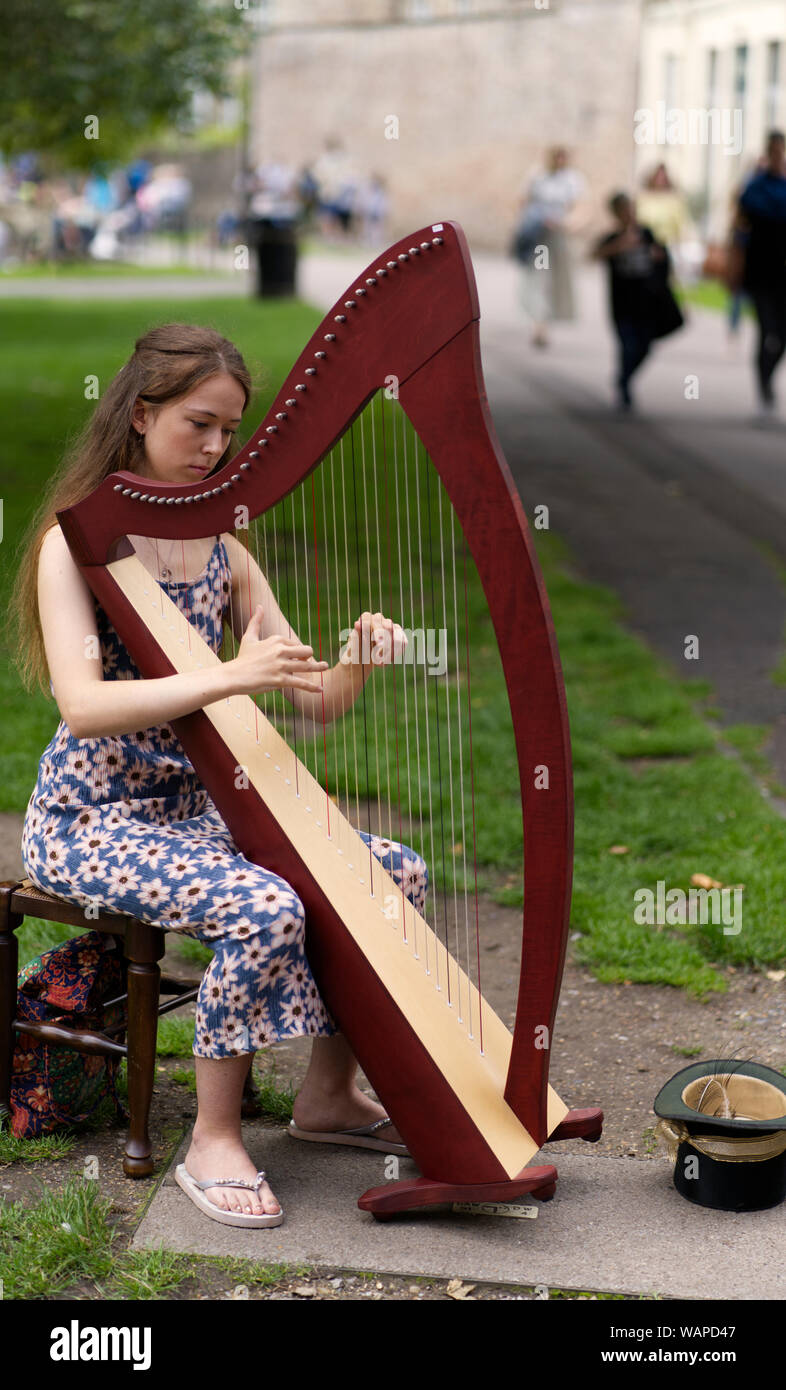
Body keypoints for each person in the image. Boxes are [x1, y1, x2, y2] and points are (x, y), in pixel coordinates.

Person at [10, 323, 428, 1228]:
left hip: (193, 815)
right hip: (92, 819)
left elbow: (307, 696)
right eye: (199, 423)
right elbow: (83, 706)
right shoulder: (73, 545)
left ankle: (327, 1098)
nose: (216, 449)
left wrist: (353, 658)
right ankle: (213, 1138)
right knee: (265, 907)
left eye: (231, 431)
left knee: (394, 872)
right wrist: (232, 674)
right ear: (140, 413)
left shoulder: (222, 545)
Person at [594, 192, 682, 412]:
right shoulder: (613, 237)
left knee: (644, 346)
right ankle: (624, 388)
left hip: (646, 302)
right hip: (622, 302)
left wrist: (659, 257)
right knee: (627, 345)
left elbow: (663, 260)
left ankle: (624, 378)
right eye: (624, 210)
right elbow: (595, 254)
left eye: (631, 209)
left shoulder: (647, 234)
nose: (629, 214)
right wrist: (621, 245)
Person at [514, 146, 587, 348]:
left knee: (556, 281)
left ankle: (545, 320)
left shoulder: (572, 179)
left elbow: (580, 209)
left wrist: (567, 224)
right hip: (541, 240)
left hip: (559, 239)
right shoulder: (537, 176)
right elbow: (522, 202)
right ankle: (539, 325)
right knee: (541, 276)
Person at [737, 130, 786, 419]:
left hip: (783, 272)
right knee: (766, 331)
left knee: (782, 335)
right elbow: (745, 216)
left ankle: (767, 379)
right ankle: (763, 387)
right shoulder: (755, 186)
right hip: (760, 269)